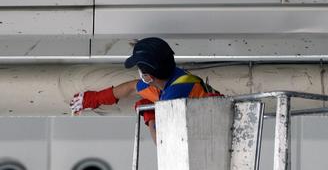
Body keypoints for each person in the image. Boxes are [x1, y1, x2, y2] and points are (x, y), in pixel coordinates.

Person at [69, 37, 221, 141]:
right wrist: (93, 99)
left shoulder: (173, 97)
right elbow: (130, 88)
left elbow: (162, 142)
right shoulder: (172, 76)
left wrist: (150, 116)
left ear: (148, 76)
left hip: (212, 137)